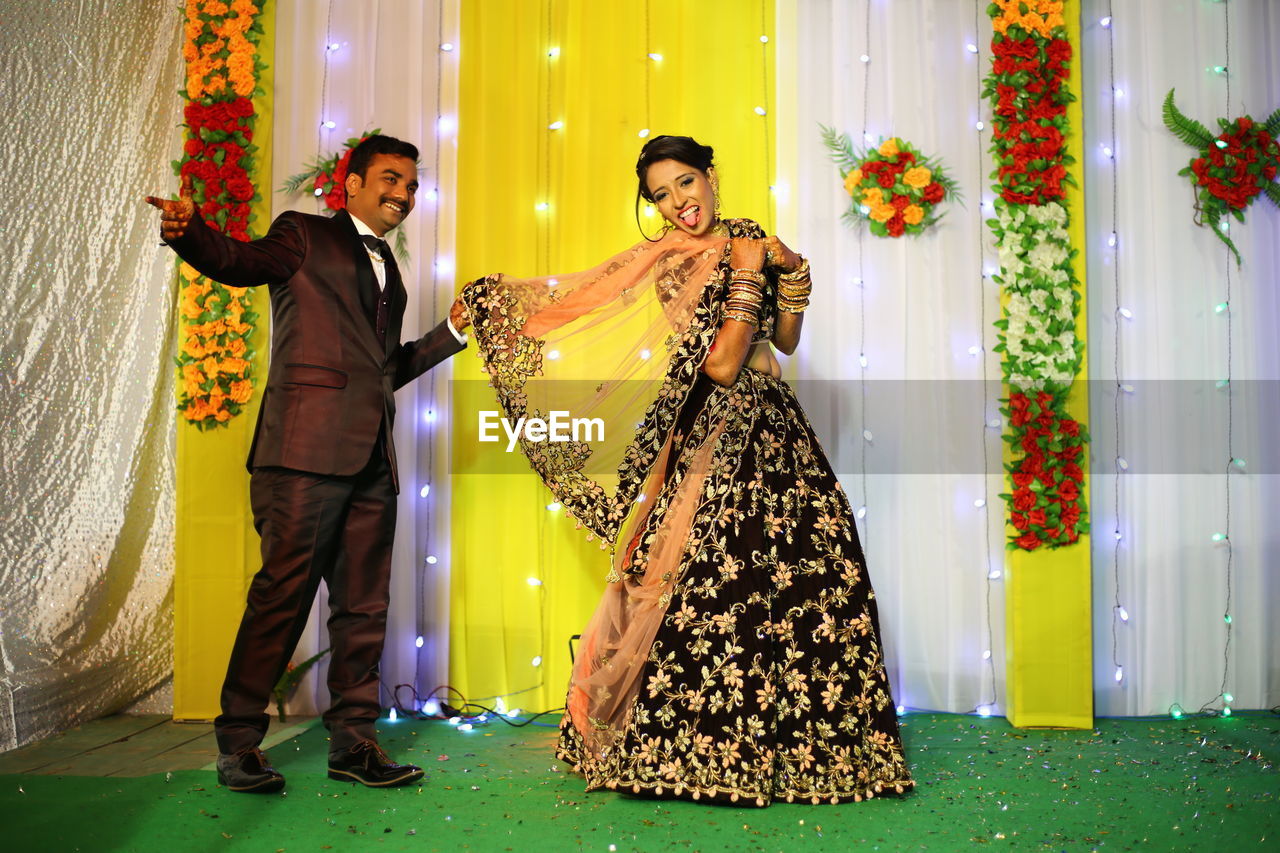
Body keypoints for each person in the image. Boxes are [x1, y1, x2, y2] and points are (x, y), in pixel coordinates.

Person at [460, 135, 912, 806]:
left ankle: (804, 742)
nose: (678, 203)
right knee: (706, 580)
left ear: (711, 176)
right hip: (712, 430)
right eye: (662, 195)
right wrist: (753, 271)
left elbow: (783, 341)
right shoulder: (672, 261)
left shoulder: (750, 238)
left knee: (804, 578)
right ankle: (695, 744)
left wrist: (796, 276)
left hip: (777, 433)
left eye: (685, 184)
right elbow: (723, 363)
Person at [146, 134, 470, 793]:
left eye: (410, 185)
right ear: (350, 183)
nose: (403, 194)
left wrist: (454, 332)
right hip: (302, 456)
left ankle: (354, 742)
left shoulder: (393, 273)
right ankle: (238, 743)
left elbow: (386, 370)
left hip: (373, 460)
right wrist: (191, 232)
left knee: (363, 607)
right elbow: (237, 260)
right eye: (389, 178)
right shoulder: (302, 234)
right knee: (282, 598)